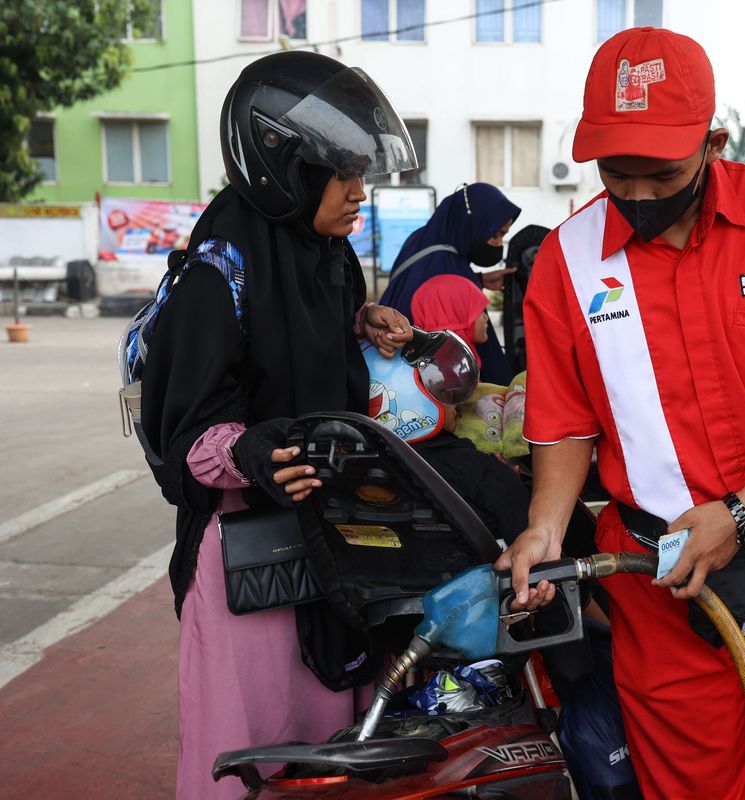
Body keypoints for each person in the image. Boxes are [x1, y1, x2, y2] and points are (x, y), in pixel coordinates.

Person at [497, 27, 745, 799]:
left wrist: (741, 512)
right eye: (618, 174)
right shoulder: (568, 264)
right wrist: (545, 528)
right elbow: (566, 423)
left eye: (663, 173)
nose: (639, 196)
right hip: (656, 584)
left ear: (713, 144)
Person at [138, 51, 418, 799]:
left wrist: (365, 321)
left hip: (328, 540)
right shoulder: (215, 272)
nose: (361, 192)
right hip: (248, 565)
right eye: (343, 173)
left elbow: (297, 347)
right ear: (283, 169)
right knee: (250, 752)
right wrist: (253, 451)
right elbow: (186, 429)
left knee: (328, 754)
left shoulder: (328, 257)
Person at [378, 183, 520, 385]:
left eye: (503, 235)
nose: (498, 243)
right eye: (494, 234)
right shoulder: (450, 269)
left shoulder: (421, 239)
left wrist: (478, 279)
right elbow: (477, 349)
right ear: (471, 223)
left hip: (389, 370)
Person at [410, 274, 491, 365]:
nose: (485, 317)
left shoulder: (425, 364)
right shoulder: (454, 370)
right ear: (457, 315)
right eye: (478, 311)